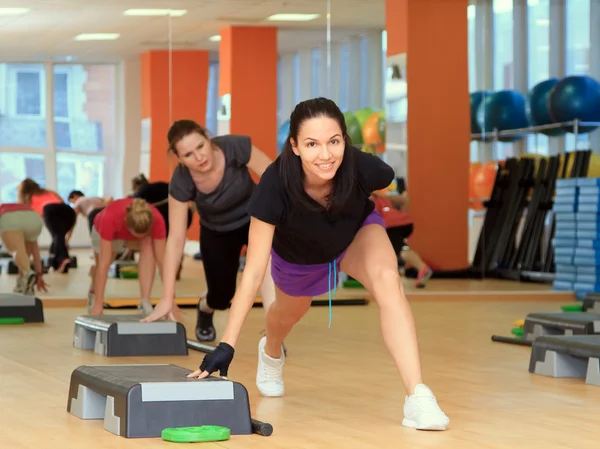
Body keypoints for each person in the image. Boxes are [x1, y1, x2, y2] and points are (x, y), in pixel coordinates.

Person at [187, 98, 450, 431]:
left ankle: (418, 397)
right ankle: (270, 352)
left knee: (388, 280)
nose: (325, 155)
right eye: (312, 144)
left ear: (344, 140)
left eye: (334, 142)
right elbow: (253, 272)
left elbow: (381, 177)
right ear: (295, 146)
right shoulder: (274, 184)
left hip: (354, 236)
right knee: (286, 316)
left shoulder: (361, 167)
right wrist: (227, 345)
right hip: (299, 258)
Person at [142, 120, 277, 345]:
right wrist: (167, 297)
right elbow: (175, 240)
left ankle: (273, 334)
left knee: (265, 266)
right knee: (221, 296)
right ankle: (206, 308)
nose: (199, 157)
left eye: (200, 147)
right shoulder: (181, 181)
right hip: (217, 231)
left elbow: (274, 177)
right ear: (179, 158)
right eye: (188, 155)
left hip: (254, 218)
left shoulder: (235, 146)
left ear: (207, 137)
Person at [88, 197, 166, 315]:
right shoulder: (109, 218)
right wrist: (99, 305)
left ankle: (145, 301)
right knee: (102, 265)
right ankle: (95, 294)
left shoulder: (157, 218)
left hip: (126, 233)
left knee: (147, 243)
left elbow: (162, 262)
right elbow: (103, 266)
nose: (140, 236)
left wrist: (170, 300)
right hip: (102, 231)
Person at [371, 191, 433, 288]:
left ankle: (422, 269)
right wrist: (402, 216)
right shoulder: (384, 198)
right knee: (399, 248)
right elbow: (405, 199)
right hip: (406, 223)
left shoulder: (368, 199)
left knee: (396, 251)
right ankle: (420, 270)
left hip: (392, 225)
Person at [18, 178, 75, 273]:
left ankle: (62, 259)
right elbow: (61, 203)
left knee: (56, 235)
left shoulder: (28, 198)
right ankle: (58, 262)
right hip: (68, 211)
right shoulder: (49, 192)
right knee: (57, 237)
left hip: (49, 210)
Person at [0, 203, 48, 295]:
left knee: (16, 250)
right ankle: (24, 281)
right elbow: (36, 253)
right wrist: (39, 275)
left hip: (10, 219)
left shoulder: (4, 214)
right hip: (34, 218)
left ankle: (27, 273)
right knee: (25, 253)